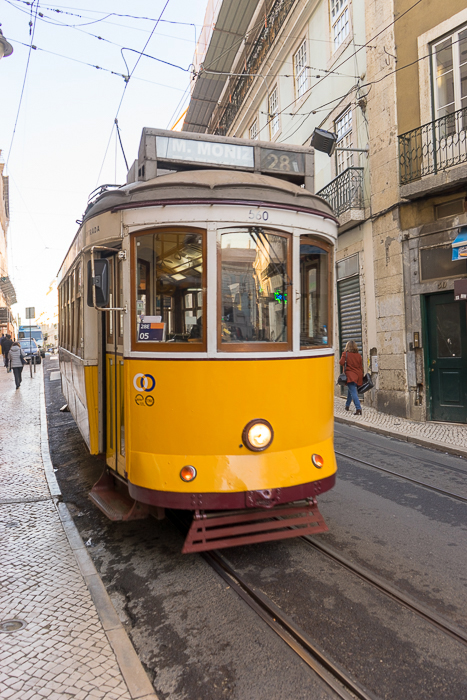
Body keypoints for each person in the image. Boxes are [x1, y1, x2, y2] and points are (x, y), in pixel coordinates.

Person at [339, 340, 364, 415]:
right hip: (357, 376)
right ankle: (347, 405)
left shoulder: (345, 354)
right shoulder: (359, 356)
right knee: (351, 390)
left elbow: (341, 362)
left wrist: (345, 357)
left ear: (347, 346)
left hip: (350, 376)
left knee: (353, 392)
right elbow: (360, 366)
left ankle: (358, 408)